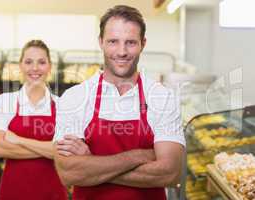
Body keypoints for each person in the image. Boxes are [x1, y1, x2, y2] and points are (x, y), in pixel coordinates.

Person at [53, 5, 185, 200]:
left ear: (143, 43)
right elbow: (70, 173)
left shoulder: (162, 98)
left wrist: (91, 164)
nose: (122, 52)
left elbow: (170, 173)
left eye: (130, 42)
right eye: (113, 41)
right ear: (101, 42)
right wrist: (140, 156)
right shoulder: (75, 97)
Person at [0, 40, 67, 200]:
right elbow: (0, 149)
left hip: (52, 192)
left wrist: (18, 140)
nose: (35, 68)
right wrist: (49, 150)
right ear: (20, 66)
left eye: (41, 62)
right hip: (13, 191)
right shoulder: (5, 101)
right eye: (28, 62)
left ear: (50, 67)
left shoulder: (61, 105)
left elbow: (64, 153)